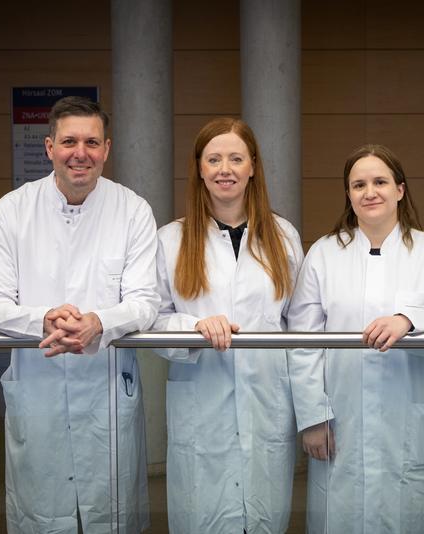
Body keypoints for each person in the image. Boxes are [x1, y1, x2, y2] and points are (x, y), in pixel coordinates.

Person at [0, 96, 157, 533]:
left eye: (92, 142)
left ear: (107, 149)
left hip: (106, 388)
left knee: (111, 515)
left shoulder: (133, 210)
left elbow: (145, 302)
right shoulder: (12, 210)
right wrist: (43, 319)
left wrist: (98, 322)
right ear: (49, 146)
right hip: (38, 388)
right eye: (70, 141)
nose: (82, 153)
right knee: (41, 514)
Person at [288, 144, 424, 533]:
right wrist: (313, 417)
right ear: (349, 194)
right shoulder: (323, 254)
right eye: (359, 184)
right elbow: (302, 342)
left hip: (406, 418)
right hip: (340, 417)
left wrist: (409, 320)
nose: (370, 192)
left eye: (380, 182)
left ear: (400, 190)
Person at [153, 117, 304, 533]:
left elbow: (302, 328)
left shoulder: (283, 237)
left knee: (264, 518)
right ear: (199, 168)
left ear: (252, 166)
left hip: (266, 400)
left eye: (236, 158)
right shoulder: (171, 240)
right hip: (202, 401)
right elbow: (153, 319)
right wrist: (194, 326)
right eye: (214, 159)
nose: (225, 169)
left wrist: (313, 412)